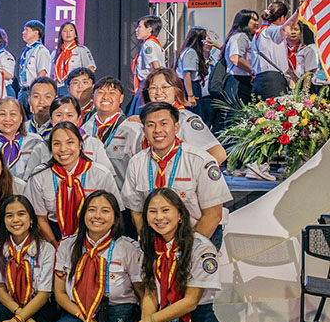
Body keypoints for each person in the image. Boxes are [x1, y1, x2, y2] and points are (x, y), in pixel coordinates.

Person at [121, 188, 230, 322]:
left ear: (180, 214)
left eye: (165, 210)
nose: (159, 217)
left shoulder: (200, 248)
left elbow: (190, 302)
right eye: (152, 211)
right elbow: (150, 291)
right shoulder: (149, 246)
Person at [48, 191, 143, 322]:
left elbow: (142, 294)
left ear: (116, 217)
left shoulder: (128, 248)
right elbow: (60, 294)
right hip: (82, 317)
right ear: (83, 215)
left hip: (119, 319)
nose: (97, 216)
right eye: (91, 210)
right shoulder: (67, 245)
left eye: (105, 211)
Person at [122, 102, 232, 248]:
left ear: (176, 127)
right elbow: (136, 210)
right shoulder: (136, 163)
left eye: (163, 124)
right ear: (144, 130)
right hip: (157, 243)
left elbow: (213, 214)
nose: (157, 130)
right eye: (151, 125)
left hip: (198, 239)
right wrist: (148, 242)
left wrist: (186, 250)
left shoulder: (201, 160)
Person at [26, 122, 120, 243]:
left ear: (80, 145)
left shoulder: (101, 174)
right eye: (56, 144)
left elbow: (115, 214)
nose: (63, 149)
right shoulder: (40, 175)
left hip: (95, 233)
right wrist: (57, 246)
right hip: (53, 234)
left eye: (70, 142)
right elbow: (40, 218)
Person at [139, 68, 227, 165]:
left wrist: (192, 176)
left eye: (165, 87)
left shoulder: (185, 119)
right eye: (153, 88)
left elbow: (218, 154)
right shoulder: (142, 120)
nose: (159, 92)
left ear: (176, 90)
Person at [81, 77, 143, 189]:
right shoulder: (84, 129)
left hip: (121, 198)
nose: (105, 97)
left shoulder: (134, 129)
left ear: (121, 98)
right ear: (93, 97)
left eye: (112, 93)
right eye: (100, 92)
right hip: (89, 197)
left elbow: (141, 168)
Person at [26, 96, 111, 173]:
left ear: (78, 119)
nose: (64, 120)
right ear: (51, 119)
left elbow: (106, 176)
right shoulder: (41, 147)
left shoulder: (94, 144)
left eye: (70, 115)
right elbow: (30, 179)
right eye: (58, 115)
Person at [0, 97, 45, 188]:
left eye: (13, 114)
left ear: (21, 118)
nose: (7, 119)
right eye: (2, 114)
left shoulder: (35, 142)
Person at [252, 2, 300, 99]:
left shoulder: (263, 31)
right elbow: (286, 29)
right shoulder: (270, 31)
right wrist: (298, 12)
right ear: (282, 17)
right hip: (271, 82)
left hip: (265, 80)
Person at [222, 9, 259, 109]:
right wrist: (252, 71)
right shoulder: (240, 36)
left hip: (242, 81)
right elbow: (236, 59)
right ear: (244, 21)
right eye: (254, 20)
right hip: (238, 81)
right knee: (237, 116)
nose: (257, 23)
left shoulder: (246, 37)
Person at [130, 15, 165, 113]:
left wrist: (155, 86)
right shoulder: (153, 43)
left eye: (140, 27)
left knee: (139, 115)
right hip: (147, 84)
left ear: (149, 29)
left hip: (147, 84)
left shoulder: (149, 44)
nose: (136, 30)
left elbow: (156, 66)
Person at [51, 22, 95, 93]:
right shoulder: (55, 53)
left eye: (71, 30)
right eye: (65, 31)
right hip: (58, 87)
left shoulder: (81, 50)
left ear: (75, 34)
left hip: (75, 87)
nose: (68, 33)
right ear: (61, 34)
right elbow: (52, 75)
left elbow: (90, 70)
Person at [17, 20, 51, 108]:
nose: (23, 32)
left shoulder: (41, 50)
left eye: (26, 30)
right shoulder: (27, 50)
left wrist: (34, 90)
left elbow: (42, 73)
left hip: (32, 90)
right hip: (23, 90)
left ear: (36, 33)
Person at [177, 27, 210, 116]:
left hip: (190, 86)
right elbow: (187, 75)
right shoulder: (191, 52)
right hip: (190, 86)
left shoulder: (189, 51)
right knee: (195, 115)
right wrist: (191, 96)